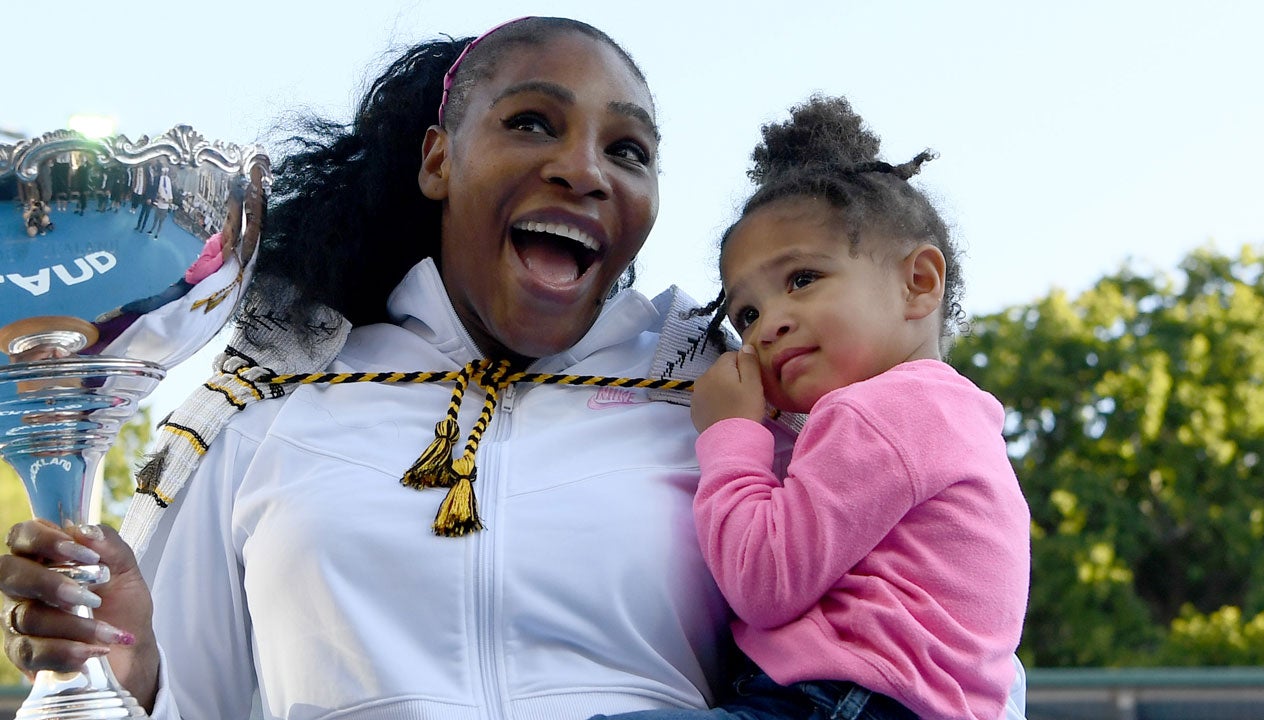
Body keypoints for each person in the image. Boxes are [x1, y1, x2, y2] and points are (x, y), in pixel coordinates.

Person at [0, 18, 1029, 720]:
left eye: (628, 151)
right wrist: (130, 678)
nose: (582, 167)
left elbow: (935, 652)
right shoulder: (274, 405)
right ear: (439, 160)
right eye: (531, 122)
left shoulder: (731, 402)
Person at [611, 96, 1030, 720]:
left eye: (803, 279)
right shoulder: (949, 414)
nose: (768, 326)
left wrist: (729, 434)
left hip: (848, 703)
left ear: (918, 283)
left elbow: (763, 582)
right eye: (745, 315)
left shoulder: (880, 415)